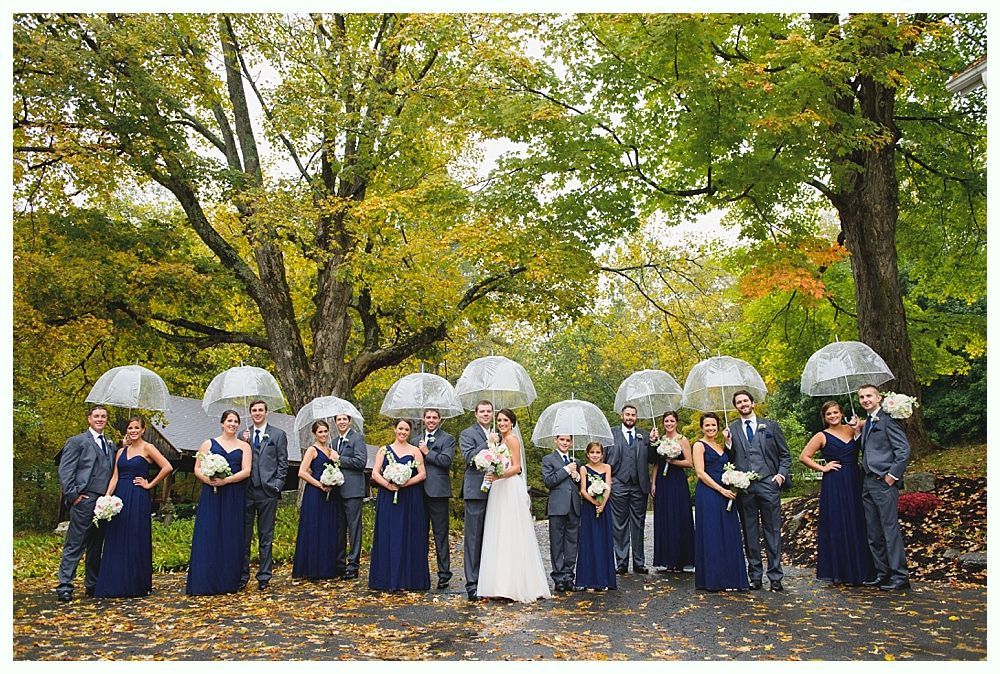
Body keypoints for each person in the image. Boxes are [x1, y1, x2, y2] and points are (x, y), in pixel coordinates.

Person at [94, 416, 174, 598]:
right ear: (127, 430)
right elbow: (115, 476)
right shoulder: (121, 451)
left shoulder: (148, 448)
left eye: (137, 427)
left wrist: (150, 484)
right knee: (116, 536)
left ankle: (135, 583)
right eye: (130, 427)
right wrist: (106, 497)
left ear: (143, 430)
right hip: (119, 497)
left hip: (138, 496)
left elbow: (167, 467)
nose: (133, 430)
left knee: (134, 536)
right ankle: (114, 581)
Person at [477, 408, 551, 602]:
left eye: (505, 420)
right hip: (498, 487)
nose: (501, 423)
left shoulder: (511, 440)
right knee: (498, 531)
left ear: (512, 423)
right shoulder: (498, 441)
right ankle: (498, 584)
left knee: (511, 532)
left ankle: (514, 585)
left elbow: (517, 467)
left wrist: (498, 475)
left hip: (508, 486)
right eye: (499, 420)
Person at [799, 401, 875, 586]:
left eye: (835, 413)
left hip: (855, 479)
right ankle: (841, 571)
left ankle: (862, 570)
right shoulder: (821, 436)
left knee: (858, 521)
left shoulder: (851, 429)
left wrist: (858, 423)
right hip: (834, 482)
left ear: (842, 413)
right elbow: (804, 456)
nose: (833, 416)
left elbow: (873, 420)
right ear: (824, 418)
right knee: (839, 522)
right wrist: (823, 468)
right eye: (829, 414)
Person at [723, 390, 791, 591]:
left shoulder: (770, 426)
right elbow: (728, 458)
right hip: (745, 488)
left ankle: (776, 576)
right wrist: (727, 443)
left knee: (773, 531)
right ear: (736, 407)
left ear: (752, 403)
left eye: (745, 401)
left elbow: (785, 455)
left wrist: (780, 475)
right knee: (750, 533)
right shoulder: (731, 429)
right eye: (739, 402)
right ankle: (755, 576)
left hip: (769, 485)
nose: (743, 404)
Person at [851, 385, 911, 591]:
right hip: (867, 481)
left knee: (889, 529)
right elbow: (870, 448)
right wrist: (858, 432)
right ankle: (882, 573)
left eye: (869, 396)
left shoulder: (888, 419)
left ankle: (900, 576)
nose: (865, 400)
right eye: (861, 397)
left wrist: (892, 476)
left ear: (879, 397)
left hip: (884, 481)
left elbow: (903, 450)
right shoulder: (867, 421)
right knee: (873, 531)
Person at [186, 410, 253, 595]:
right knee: (209, 533)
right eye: (229, 421)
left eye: (235, 421)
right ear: (222, 423)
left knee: (230, 535)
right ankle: (204, 580)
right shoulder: (208, 443)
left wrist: (227, 481)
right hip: (212, 494)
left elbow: (246, 471)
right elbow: (197, 468)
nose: (232, 424)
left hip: (233, 494)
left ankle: (227, 581)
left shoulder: (244, 446)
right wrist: (208, 480)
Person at [56, 405, 116, 602]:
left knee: (96, 545)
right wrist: (74, 496)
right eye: (96, 416)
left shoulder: (110, 444)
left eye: (103, 416)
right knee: (75, 543)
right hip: (84, 499)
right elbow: (66, 471)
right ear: (89, 419)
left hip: (104, 503)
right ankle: (65, 585)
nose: (100, 419)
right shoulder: (77, 442)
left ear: (106, 420)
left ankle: (92, 584)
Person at [369, 418, 430, 592]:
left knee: (408, 534)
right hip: (388, 497)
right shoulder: (383, 450)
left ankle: (410, 578)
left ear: (409, 432)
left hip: (410, 497)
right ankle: (386, 578)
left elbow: (422, 474)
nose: (403, 432)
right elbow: (375, 472)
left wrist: (405, 482)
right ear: (395, 429)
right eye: (400, 428)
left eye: (406, 430)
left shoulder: (415, 451)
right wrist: (388, 485)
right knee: (389, 534)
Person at [693, 412, 749, 592]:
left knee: (729, 533)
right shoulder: (699, 446)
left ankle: (731, 577)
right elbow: (700, 473)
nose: (710, 428)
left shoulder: (719, 445)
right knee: (713, 534)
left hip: (726, 492)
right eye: (707, 425)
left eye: (713, 425)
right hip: (709, 493)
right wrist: (720, 489)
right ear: (702, 427)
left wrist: (728, 442)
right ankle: (714, 579)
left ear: (718, 427)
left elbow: (729, 463)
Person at [239, 400, 288, 591]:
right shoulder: (244, 435)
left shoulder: (278, 434)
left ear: (266, 412)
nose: (257, 413)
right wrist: (243, 441)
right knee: (244, 536)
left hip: (268, 491)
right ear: (250, 413)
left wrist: (277, 485)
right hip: (247, 491)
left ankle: (264, 576)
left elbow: (283, 463)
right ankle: (243, 576)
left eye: (260, 410)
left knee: (265, 536)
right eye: (254, 410)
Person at [605, 404, 654, 574]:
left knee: (638, 524)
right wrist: (606, 482)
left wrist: (654, 443)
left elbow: (653, 458)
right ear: (621, 416)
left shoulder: (645, 436)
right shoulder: (610, 434)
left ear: (636, 417)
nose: (630, 417)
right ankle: (622, 562)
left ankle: (639, 562)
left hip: (639, 485)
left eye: (633, 415)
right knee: (619, 525)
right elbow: (602, 459)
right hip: (618, 483)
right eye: (627, 414)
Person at [292, 420, 344, 580]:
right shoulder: (312, 450)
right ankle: (311, 568)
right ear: (315, 434)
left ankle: (327, 567)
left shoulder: (331, 451)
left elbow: (337, 470)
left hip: (330, 495)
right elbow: (302, 472)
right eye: (320, 432)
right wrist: (319, 484)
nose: (323, 434)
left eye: (325, 431)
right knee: (314, 528)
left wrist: (336, 462)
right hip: (315, 494)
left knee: (328, 529)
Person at [650, 410, 695, 573]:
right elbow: (656, 463)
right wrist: (653, 483)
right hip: (662, 482)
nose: (669, 424)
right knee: (665, 517)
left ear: (676, 422)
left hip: (677, 481)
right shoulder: (660, 440)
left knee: (678, 517)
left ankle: (680, 560)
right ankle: (667, 559)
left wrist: (673, 460)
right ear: (663, 423)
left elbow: (689, 462)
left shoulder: (683, 440)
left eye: (671, 421)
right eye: (666, 421)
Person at [416, 408, 456, 590]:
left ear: (439, 420)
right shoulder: (414, 438)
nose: (431, 420)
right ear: (423, 419)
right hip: (417, 492)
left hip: (438, 492)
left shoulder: (447, 438)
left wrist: (426, 452)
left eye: (434, 417)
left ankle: (444, 574)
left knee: (440, 534)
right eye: (428, 417)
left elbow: (445, 461)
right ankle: (420, 573)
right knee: (419, 534)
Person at [459, 399, 495, 601]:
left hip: (497, 491)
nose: (485, 414)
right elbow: (469, 458)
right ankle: (472, 583)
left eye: (488, 411)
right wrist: (488, 442)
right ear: (476, 414)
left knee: (493, 537)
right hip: (475, 490)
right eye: (482, 411)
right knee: (473, 538)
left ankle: (490, 580)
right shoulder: (467, 434)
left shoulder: (500, 432)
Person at [541, 434, 581, 592]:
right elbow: (548, 482)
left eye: (568, 440)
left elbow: (580, 485)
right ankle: (558, 577)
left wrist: (577, 477)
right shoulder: (548, 459)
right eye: (562, 440)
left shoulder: (576, 461)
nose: (565, 443)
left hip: (574, 506)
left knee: (572, 542)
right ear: (556, 441)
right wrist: (566, 470)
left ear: (571, 443)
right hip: (557, 507)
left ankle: (569, 575)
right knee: (557, 543)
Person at [575, 441, 616, 591]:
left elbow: (608, 487)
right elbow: (583, 490)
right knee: (589, 541)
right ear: (587, 454)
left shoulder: (607, 468)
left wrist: (602, 504)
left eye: (598, 452)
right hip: (589, 508)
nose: (595, 455)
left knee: (603, 541)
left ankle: (603, 579)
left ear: (602, 454)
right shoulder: (584, 469)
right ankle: (589, 580)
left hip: (604, 508)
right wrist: (594, 502)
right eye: (592, 452)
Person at [333, 413, 368, 580]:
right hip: (336, 491)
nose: (341, 422)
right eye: (338, 420)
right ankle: (339, 563)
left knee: (354, 529)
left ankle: (353, 565)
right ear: (335, 422)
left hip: (353, 490)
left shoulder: (357, 439)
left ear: (349, 421)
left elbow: (361, 462)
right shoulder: (333, 442)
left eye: (344, 419)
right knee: (338, 528)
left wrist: (340, 458)